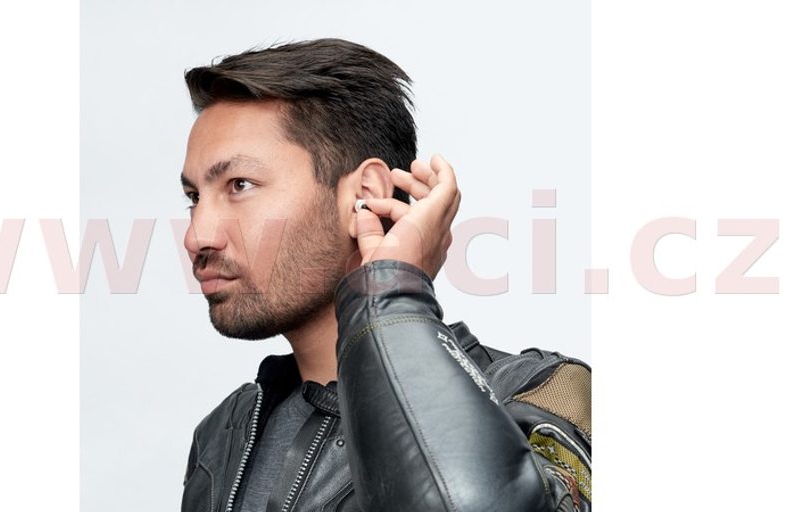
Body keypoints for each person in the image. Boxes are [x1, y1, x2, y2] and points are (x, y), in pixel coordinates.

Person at [178, 38, 591, 512]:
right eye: (194, 197)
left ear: (365, 196)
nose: (196, 236)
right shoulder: (223, 436)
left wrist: (391, 285)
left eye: (240, 185)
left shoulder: (542, 393)